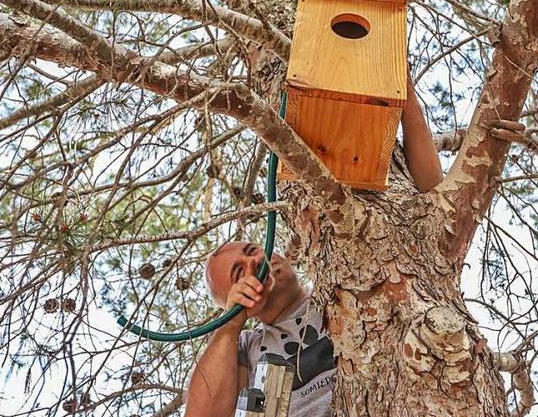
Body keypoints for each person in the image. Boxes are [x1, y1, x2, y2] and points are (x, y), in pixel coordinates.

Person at [183, 80, 443, 417]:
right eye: (239, 272)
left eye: (251, 249)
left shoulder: (341, 289)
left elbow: (433, 205)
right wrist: (229, 327)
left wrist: (408, 104)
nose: (257, 260)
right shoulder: (246, 350)